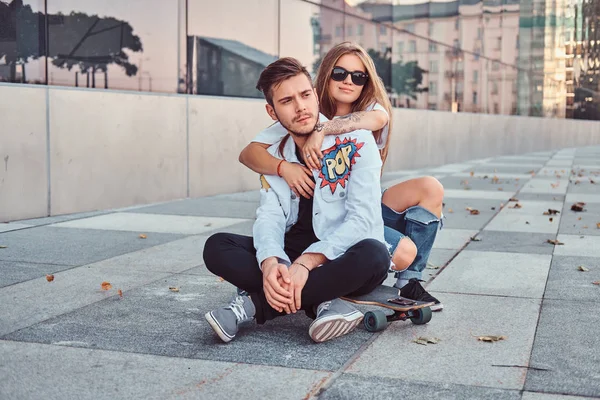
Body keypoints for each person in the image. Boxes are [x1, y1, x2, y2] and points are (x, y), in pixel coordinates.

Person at [239, 42, 445, 310]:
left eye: (358, 77)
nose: (348, 81)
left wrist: (322, 129)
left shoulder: (370, 110)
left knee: (430, 189)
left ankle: (409, 283)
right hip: (327, 213)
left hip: (361, 204)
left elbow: (375, 122)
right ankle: (330, 281)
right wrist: (284, 168)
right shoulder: (303, 107)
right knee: (225, 247)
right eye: (340, 73)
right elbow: (248, 153)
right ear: (326, 74)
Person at [203, 57, 390, 344]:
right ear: (272, 111)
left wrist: (305, 263)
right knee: (216, 247)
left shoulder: (358, 142)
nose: (301, 107)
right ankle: (321, 302)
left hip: (341, 252)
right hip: (293, 250)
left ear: (315, 96)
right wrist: (271, 262)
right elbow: (270, 216)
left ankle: (254, 306)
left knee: (375, 255)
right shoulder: (276, 153)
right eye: (287, 101)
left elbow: (363, 221)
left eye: (305, 95)